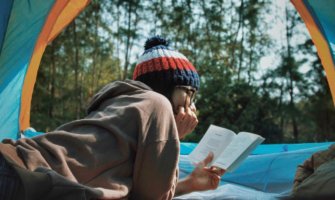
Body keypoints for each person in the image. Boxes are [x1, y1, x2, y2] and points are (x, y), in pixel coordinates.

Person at [0, 36, 224, 200]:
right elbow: (153, 197)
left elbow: (138, 187)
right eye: (190, 93)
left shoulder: (123, 105)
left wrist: (189, 184)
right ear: (169, 86)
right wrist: (173, 136)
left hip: (14, 167)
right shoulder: (158, 104)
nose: (193, 105)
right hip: (20, 176)